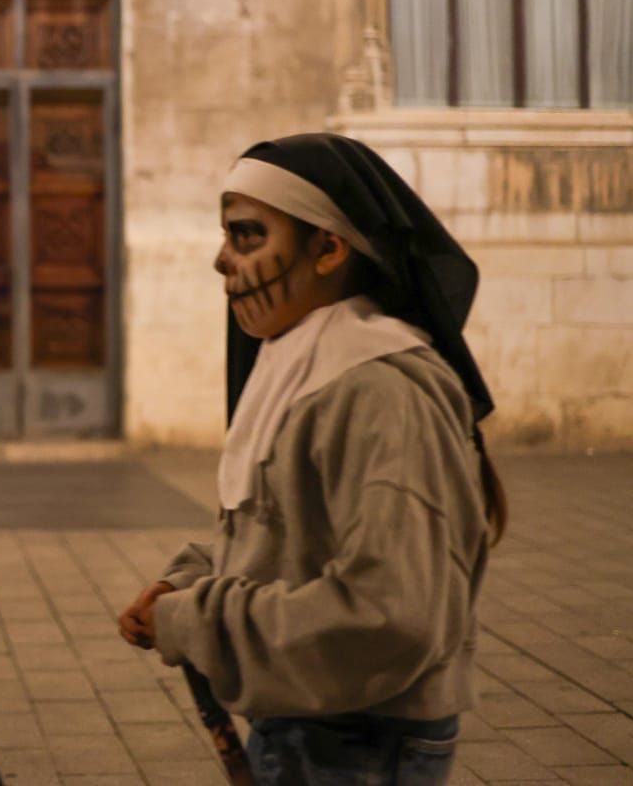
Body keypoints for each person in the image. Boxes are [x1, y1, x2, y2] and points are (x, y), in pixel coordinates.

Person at [118, 133, 508, 785]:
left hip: (359, 742)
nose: (222, 262)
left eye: (246, 236)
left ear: (328, 248)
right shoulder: (308, 366)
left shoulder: (375, 391)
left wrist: (198, 621)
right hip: (324, 728)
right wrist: (191, 579)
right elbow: (297, 529)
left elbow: (388, 615)